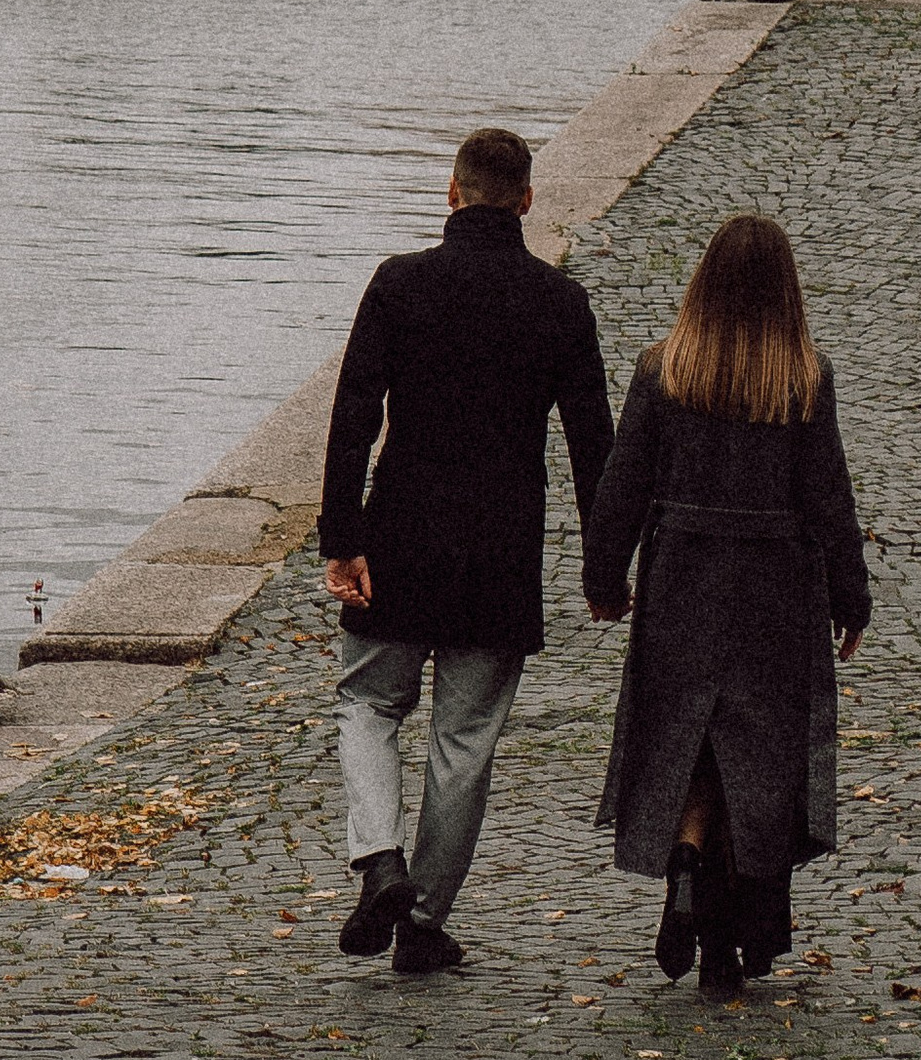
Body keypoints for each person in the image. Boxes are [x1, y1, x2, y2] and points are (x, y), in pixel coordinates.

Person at [319, 124, 612, 977]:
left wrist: (343, 536)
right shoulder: (560, 303)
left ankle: (378, 858)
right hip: (500, 549)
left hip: (401, 532)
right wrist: (603, 566)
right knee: (465, 741)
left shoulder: (399, 284)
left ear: (451, 194)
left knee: (369, 703)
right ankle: (422, 921)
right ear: (526, 199)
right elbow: (595, 443)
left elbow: (353, 414)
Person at [580, 215, 869, 1005]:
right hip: (775, 591)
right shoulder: (803, 378)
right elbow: (829, 499)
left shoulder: (660, 371)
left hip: (681, 580)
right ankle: (725, 951)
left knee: (693, 744)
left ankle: (685, 854)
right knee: (757, 762)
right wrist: (853, 598)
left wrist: (605, 579)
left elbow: (620, 488)